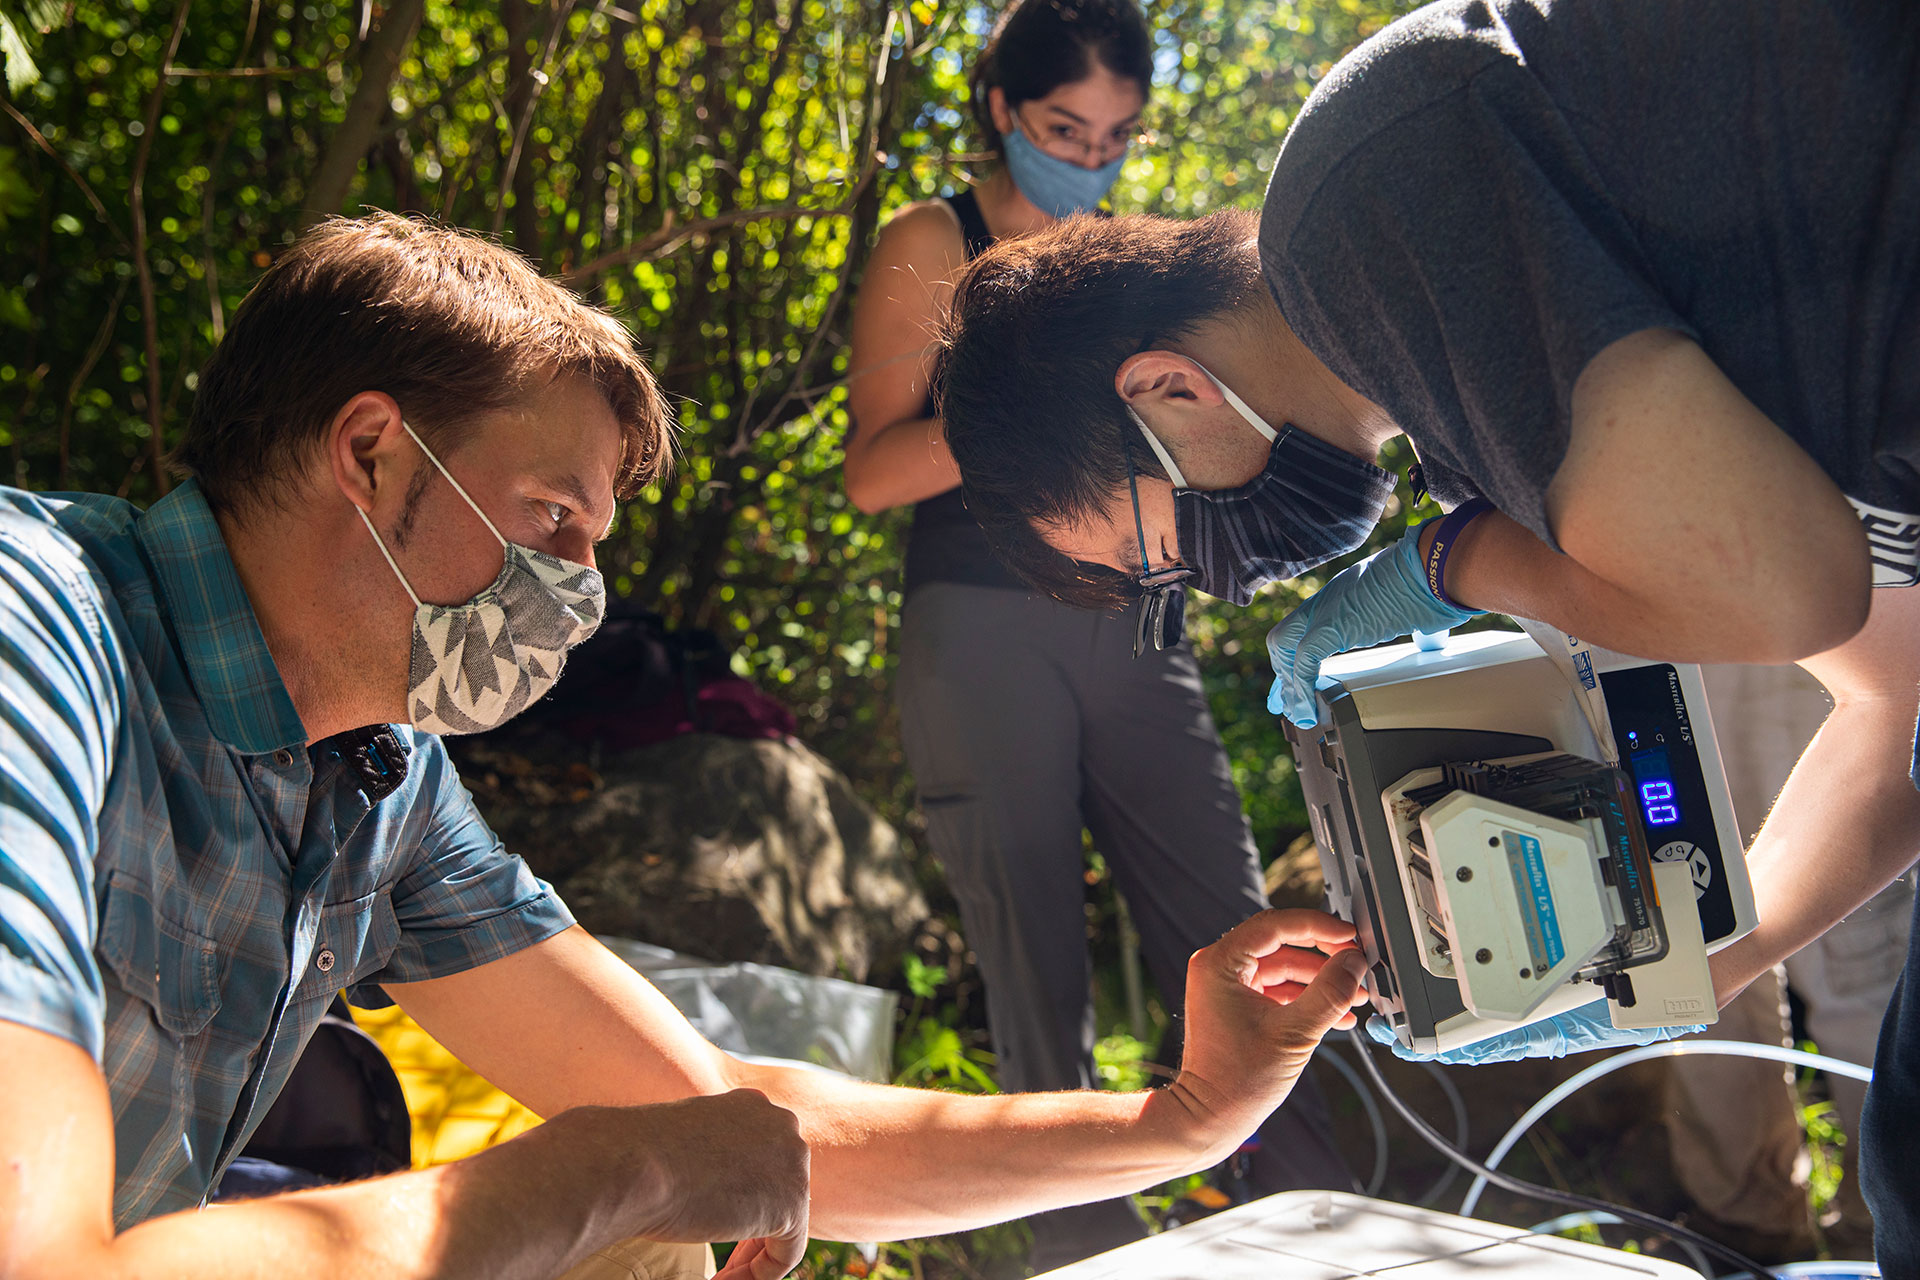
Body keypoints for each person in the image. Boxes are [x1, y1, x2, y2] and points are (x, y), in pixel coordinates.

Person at [927, 0, 1920, 1271]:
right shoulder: (1460, 414)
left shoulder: (1357, 206)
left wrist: (1452, 562)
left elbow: (1793, 597)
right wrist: (1704, 959)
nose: (1224, 583)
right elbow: (1900, 704)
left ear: (1165, 387)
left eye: (1168, 549)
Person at [841, 1, 1349, 1265]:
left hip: (1137, 618)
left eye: (1117, 134)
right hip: (978, 623)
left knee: (1227, 913)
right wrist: (1025, 395)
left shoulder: (1127, 252)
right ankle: (1077, 1250)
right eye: (1066, 127)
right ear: (1004, 111)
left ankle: (1317, 1223)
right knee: (1033, 960)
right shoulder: (932, 233)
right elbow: (868, 473)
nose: (1091, 155)